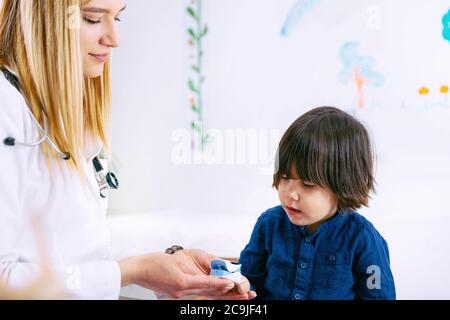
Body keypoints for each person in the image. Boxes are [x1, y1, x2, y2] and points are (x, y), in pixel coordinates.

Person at [0, 0, 255, 300]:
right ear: (46, 18)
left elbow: (80, 253)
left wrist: (168, 262)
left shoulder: (63, 114)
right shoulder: (7, 107)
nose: (114, 39)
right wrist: (132, 271)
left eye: (117, 19)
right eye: (93, 18)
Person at [239, 106, 396, 300]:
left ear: (344, 185)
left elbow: (379, 296)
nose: (290, 194)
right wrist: (239, 288)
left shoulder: (364, 239)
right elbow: (249, 280)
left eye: (308, 184)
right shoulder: (268, 224)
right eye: (285, 177)